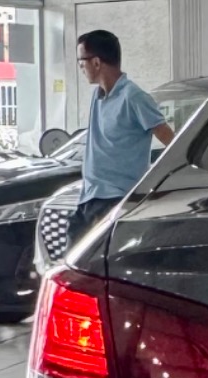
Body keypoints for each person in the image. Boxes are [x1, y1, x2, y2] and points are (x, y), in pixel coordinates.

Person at [72, 30, 173, 244]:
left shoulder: (133, 97)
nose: (80, 68)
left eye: (81, 62)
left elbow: (170, 140)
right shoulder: (97, 95)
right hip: (90, 197)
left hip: (115, 199)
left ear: (96, 62)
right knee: (72, 257)